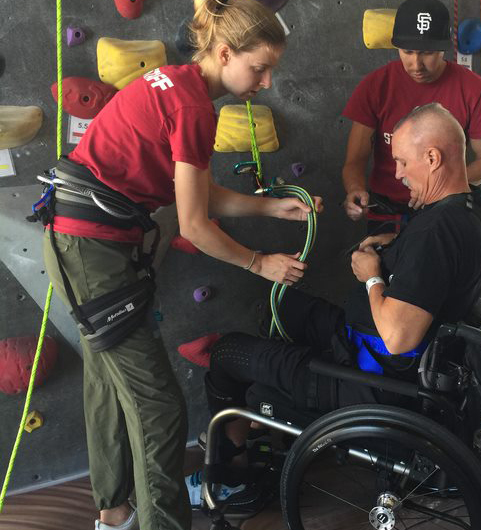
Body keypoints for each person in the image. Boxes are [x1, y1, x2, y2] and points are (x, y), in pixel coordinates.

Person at [38, 1, 322, 529]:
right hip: (92, 249)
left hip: (84, 244)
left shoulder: (174, 82)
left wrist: (268, 206)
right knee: (161, 409)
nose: (264, 82)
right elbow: (192, 224)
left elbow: (194, 191)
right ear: (223, 52)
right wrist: (260, 263)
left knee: (106, 381)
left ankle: (114, 513)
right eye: (258, 67)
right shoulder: (195, 109)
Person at [191, 103, 481, 511]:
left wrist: (372, 275)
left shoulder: (436, 232)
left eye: (403, 162)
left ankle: (232, 483)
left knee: (227, 353)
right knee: (282, 310)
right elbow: (436, 271)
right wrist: (394, 251)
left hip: (378, 379)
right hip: (379, 348)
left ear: (433, 158)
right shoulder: (470, 207)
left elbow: (399, 337)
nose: (398, 173)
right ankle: (276, 404)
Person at [342, 0, 481, 232]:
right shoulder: (375, 86)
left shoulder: (473, 88)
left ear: (444, 48)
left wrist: (439, 189)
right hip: (387, 211)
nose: (416, 64)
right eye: (408, 52)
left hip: (445, 208)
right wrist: (355, 189)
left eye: (427, 53)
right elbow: (354, 161)